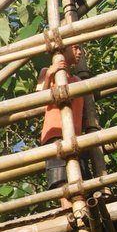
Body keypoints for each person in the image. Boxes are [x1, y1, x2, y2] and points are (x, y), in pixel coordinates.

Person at [37, 43, 91, 209]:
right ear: (62, 49)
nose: (79, 52)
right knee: (62, 181)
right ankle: (71, 212)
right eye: (75, 48)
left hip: (75, 138)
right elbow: (38, 101)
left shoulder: (77, 81)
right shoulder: (47, 72)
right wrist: (50, 75)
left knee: (81, 182)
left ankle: (81, 211)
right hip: (55, 135)